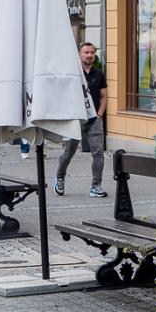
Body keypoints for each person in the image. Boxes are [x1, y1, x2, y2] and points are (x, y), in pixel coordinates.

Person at [55, 42, 108, 198]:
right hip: (75, 120)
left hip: (94, 120)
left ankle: (96, 186)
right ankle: (60, 177)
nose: (89, 55)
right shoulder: (73, 74)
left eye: (92, 52)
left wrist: (99, 114)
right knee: (68, 153)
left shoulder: (98, 74)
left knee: (98, 153)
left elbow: (104, 96)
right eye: (86, 52)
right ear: (79, 54)